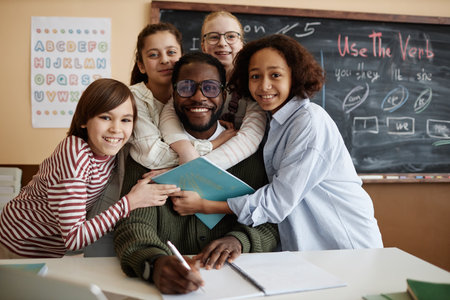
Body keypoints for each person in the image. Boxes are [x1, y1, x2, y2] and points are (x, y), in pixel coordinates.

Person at [170, 34, 384, 251]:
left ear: (295, 76)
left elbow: (277, 201)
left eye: (275, 75)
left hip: (343, 243)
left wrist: (205, 206)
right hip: (304, 247)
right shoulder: (270, 120)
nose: (264, 86)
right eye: (255, 76)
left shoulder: (308, 121)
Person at [113, 52, 279, 295]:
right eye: (186, 87)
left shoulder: (250, 155)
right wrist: (155, 263)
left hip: (239, 288)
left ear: (224, 94)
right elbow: (133, 225)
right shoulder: (149, 156)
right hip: (169, 290)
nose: (199, 96)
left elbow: (271, 221)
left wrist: (239, 240)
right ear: (173, 92)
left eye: (211, 88)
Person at [0, 78, 180, 259]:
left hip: (51, 251)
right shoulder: (75, 152)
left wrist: (170, 170)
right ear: (84, 120)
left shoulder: (115, 151)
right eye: (105, 117)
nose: (116, 129)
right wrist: (130, 202)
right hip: (16, 243)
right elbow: (74, 238)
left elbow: (153, 154)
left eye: (125, 120)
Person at [159, 11, 267, 169]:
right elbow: (169, 115)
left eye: (231, 36)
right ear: (203, 45)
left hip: (238, 162)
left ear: (241, 44)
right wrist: (187, 152)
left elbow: (250, 137)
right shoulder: (188, 76)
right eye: (214, 37)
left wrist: (192, 168)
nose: (222, 43)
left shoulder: (253, 83)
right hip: (196, 151)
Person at [128, 23, 235, 170]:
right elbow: (154, 157)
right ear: (141, 65)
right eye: (154, 54)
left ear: (182, 57)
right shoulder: (132, 99)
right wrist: (214, 144)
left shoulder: (188, 100)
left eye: (171, 52)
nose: (164, 60)